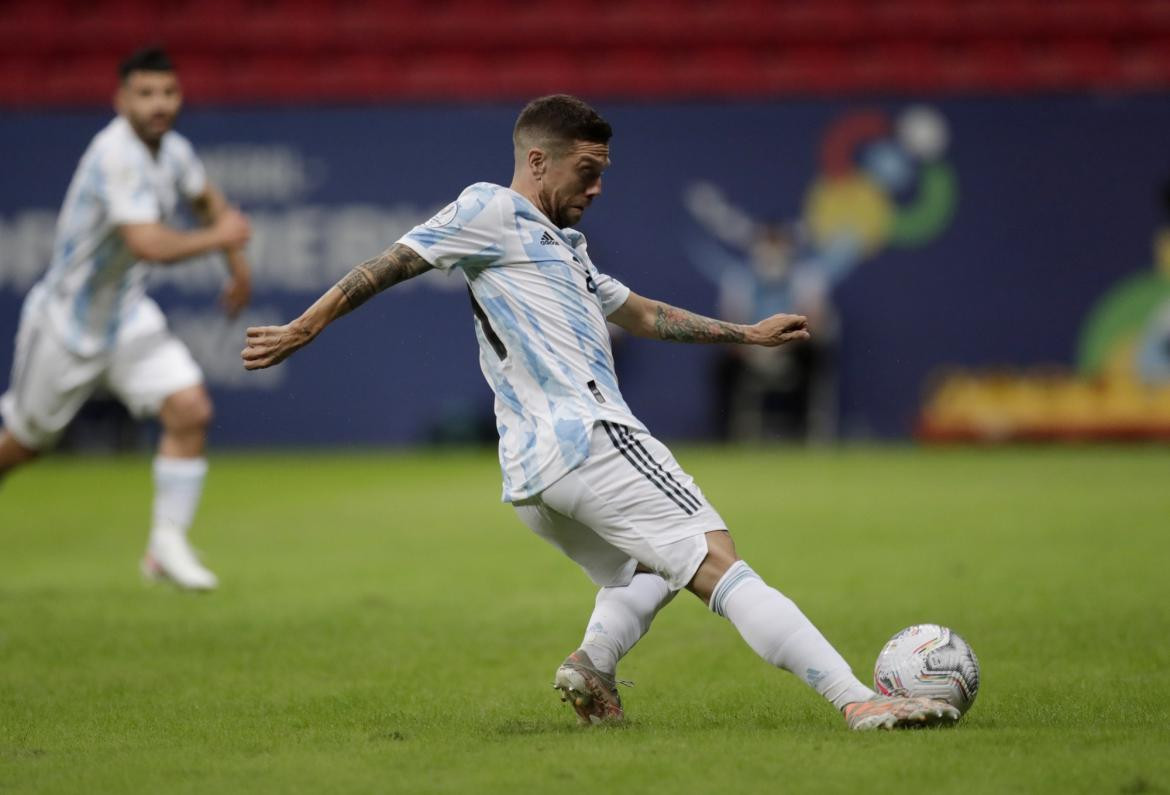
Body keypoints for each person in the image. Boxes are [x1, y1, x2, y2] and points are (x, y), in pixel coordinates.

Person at [241, 95, 957, 730]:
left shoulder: (567, 251)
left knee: (649, 571)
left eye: (604, 169)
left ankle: (593, 665)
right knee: (715, 559)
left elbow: (642, 313)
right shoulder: (491, 208)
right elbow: (392, 262)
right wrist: (305, 326)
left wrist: (744, 332)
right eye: (587, 168)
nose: (598, 184)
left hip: (535, 478)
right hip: (592, 436)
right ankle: (858, 700)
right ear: (536, 159)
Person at [0, 47, 252, 591]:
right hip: (67, 325)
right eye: (145, 94)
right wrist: (223, 241)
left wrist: (237, 268)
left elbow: (208, 201)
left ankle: (165, 546)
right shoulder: (115, 155)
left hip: (128, 316)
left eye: (168, 92)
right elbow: (149, 243)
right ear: (121, 100)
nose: (159, 104)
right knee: (21, 446)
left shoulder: (175, 151)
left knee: (190, 407)